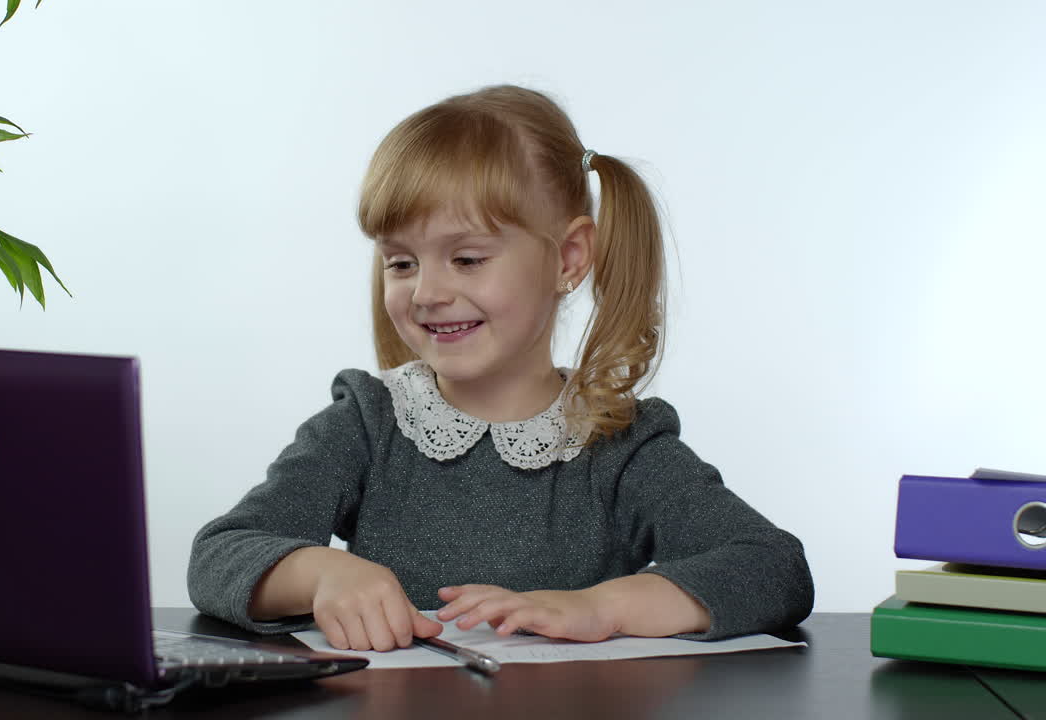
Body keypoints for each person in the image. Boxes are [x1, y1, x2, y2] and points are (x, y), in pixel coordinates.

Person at [188, 85, 814, 652]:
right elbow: (218, 554)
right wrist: (323, 573)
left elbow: (774, 567)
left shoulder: (619, 446)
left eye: (466, 259)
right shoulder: (367, 423)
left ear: (569, 258)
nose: (426, 292)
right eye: (401, 263)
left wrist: (604, 608)